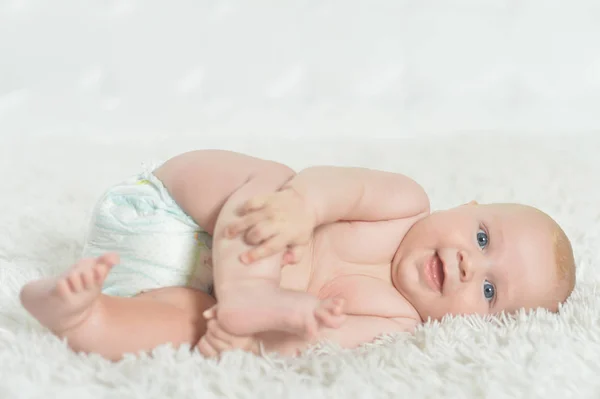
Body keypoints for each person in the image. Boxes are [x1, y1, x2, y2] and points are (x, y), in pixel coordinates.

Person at [19, 149, 576, 360]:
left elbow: (312, 342)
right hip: (179, 209)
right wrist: (303, 208)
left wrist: (253, 338)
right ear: (468, 205)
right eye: (482, 239)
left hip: (158, 285)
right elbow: (332, 185)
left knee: (194, 327)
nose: (467, 265)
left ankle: (82, 315)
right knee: (274, 184)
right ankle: (252, 294)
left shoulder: (399, 321)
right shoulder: (405, 203)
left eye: (488, 290)